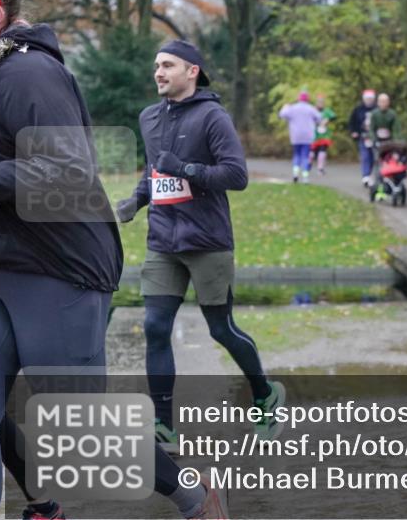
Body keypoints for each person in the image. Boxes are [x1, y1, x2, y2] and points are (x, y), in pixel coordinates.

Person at [0, 0, 231, 520]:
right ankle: (43, 514)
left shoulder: (28, 76)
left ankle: (193, 495)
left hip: (60, 269)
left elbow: (66, 175)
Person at [116, 38, 286, 455]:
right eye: (157, 65)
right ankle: (162, 425)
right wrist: (136, 201)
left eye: (168, 65)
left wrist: (187, 170)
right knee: (155, 327)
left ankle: (265, 394)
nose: (159, 72)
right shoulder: (149, 117)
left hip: (207, 240)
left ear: (192, 71)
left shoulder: (213, 116)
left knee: (220, 329)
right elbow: (155, 171)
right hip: (163, 240)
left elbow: (236, 175)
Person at [278, 91, 321, 183]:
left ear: (299, 98)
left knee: (296, 154)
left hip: (295, 136)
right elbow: (319, 117)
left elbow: (282, 114)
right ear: (307, 99)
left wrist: (285, 107)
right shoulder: (310, 108)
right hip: (307, 136)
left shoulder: (293, 108)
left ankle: (295, 174)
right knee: (305, 156)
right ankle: (305, 177)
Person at [347, 88, 377, 186]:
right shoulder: (358, 110)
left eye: (370, 99)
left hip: (374, 137)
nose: (369, 100)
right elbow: (352, 122)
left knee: (373, 157)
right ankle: (365, 176)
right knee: (365, 156)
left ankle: (370, 174)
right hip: (362, 136)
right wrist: (353, 132)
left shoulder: (377, 109)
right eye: (367, 99)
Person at [308, 93, 336, 176]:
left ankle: (320, 168)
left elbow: (333, 116)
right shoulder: (312, 110)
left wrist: (327, 120)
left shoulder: (326, 111)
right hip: (314, 134)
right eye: (319, 102)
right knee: (312, 151)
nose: (320, 104)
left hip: (324, 135)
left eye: (322, 102)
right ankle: (308, 164)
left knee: (322, 150)